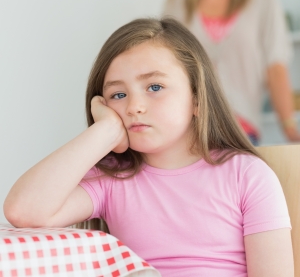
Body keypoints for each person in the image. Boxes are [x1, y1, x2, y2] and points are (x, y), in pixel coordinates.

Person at [4, 18, 293, 277]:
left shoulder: (248, 176)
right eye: (118, 94)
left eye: (154, 87)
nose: (134, 107)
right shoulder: (112, 179)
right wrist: (104, 131)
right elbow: (23, 211)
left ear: (196, 98)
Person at [163, 0, 300, 145]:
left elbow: (275, 66)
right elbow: (165, 70)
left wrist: (289, 127)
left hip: (241, 126)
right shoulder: (176, 5)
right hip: (187, 128)